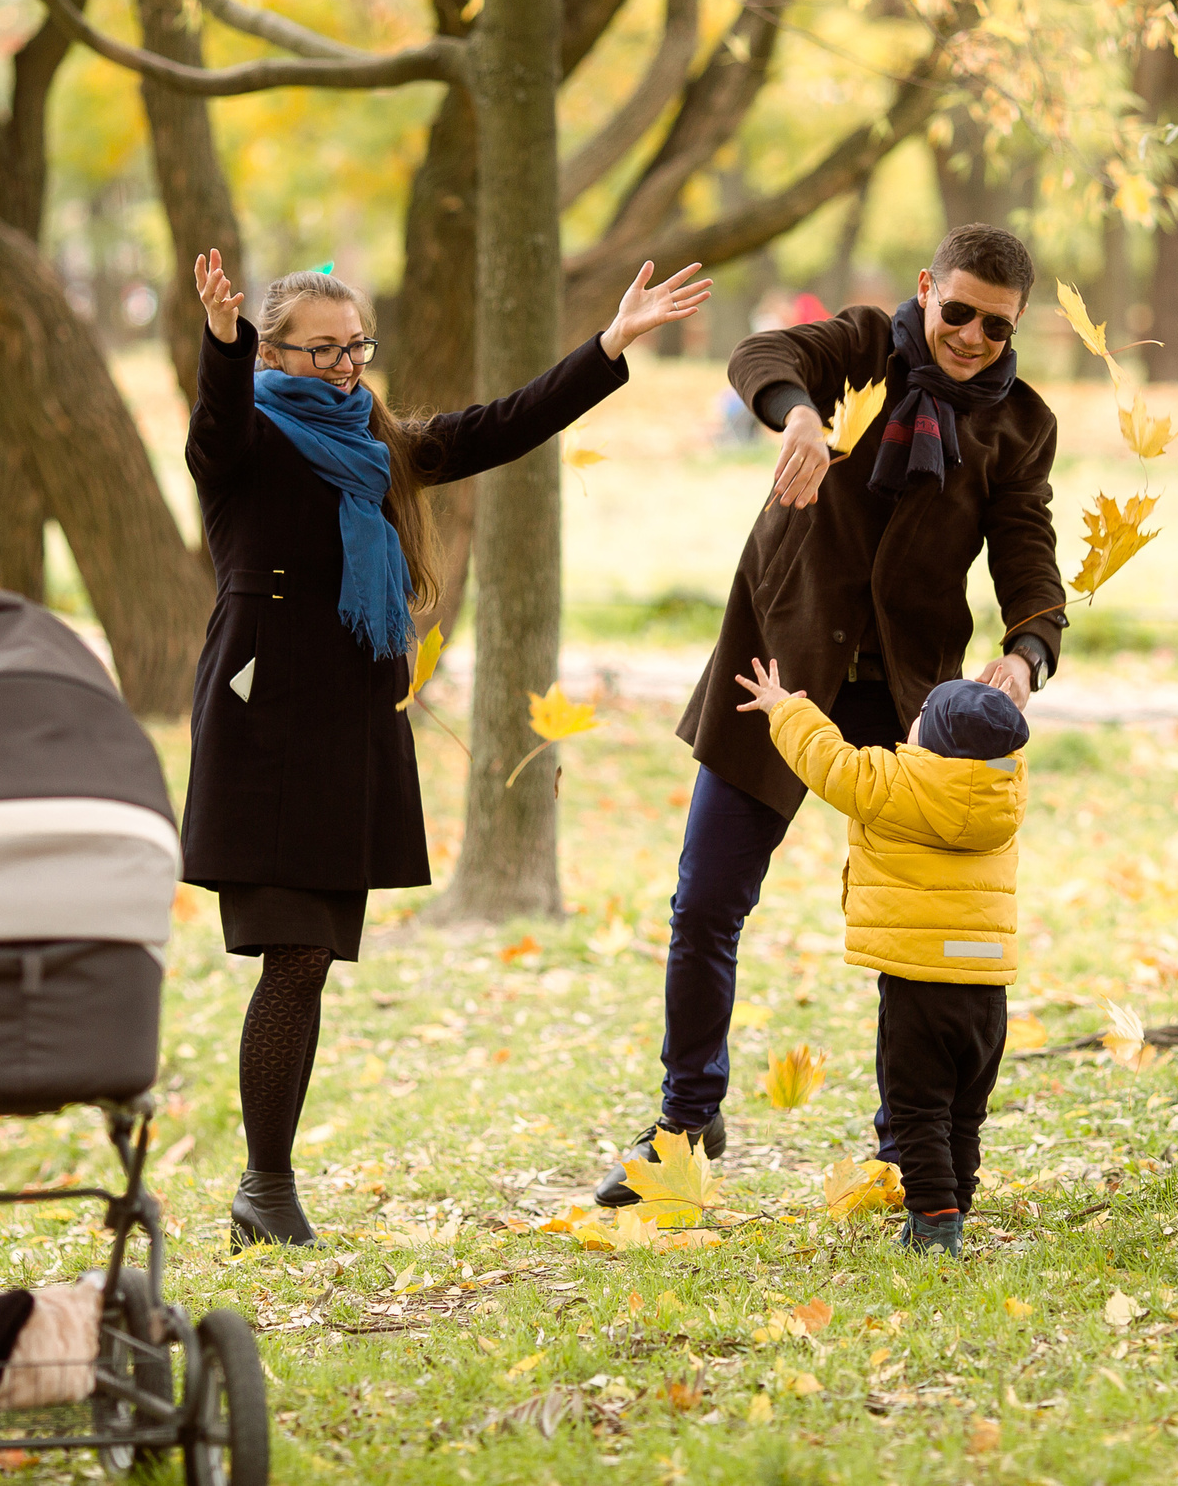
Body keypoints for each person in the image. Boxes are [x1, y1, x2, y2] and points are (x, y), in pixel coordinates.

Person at [186, 250, 710, 1249]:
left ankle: (267, 1187)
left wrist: (608, 345)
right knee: (290, 954)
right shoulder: (247, 437)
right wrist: (221, 345)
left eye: (357, 347)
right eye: (323, 349)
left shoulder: (378, 443)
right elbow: (214, 425)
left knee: (311, 959)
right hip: (261, 726)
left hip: (346, 725)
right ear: (275, 350)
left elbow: (499, 426)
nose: (346, 367)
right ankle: (266, 1185)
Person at [597, 222, 1065, 1205]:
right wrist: (799, 418)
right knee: (706, 901)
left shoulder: (1018, 423)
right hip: (782, 669)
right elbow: (759, 355)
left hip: (911, 697)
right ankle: (687, 1119)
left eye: (995, 324)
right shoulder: (860, 351)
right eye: (956, 313)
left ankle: (909, 1140)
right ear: (926, 287)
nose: (972, 336)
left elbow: (1027, 552)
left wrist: (1027, 652)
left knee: (919, 929)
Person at [734, 658, 1027, 1255]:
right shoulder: (1004, 792)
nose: (910, 724)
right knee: (964, 1112)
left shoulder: (893, 782)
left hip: (919, 985)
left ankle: (933, 1221)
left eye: (921, 717)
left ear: (934, 744)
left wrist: (783, 707)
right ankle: (951, 1207)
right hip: (987, 989)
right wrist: (990, 710)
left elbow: (828, 761)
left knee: (916, 1110)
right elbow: (992, 747)